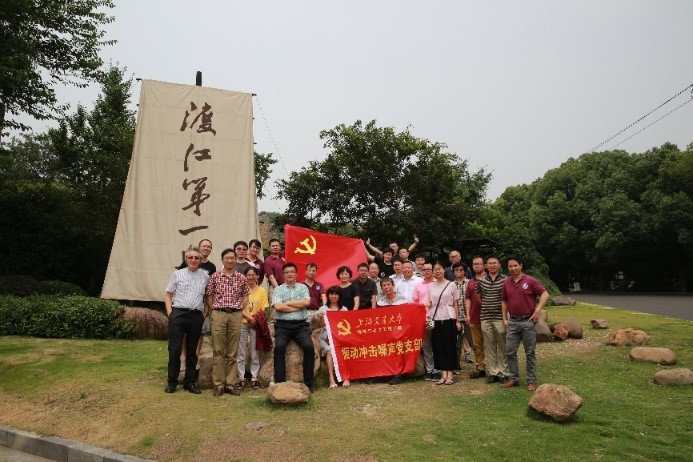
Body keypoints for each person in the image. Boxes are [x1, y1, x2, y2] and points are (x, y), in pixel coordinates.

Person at [164, 247, 209, 394]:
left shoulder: (205, 276)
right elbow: (168, 294)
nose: (193, 260)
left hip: (196, 316)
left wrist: (204, 313)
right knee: (175, 349)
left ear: (200, 260)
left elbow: (207, 297)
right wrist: (170, 314)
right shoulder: (177, 274)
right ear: (186, 259)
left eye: (196, 258)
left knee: (192, 351)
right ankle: (172, 381)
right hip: (178, 314)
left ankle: (189, 382)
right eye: (191, 257)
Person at [206, 248, 250, 397]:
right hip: (218, 314)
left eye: (232, 258)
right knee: (218, 350)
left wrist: (239, 308)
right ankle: (218, 384)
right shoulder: (215, 276)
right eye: (227, 258)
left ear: (235, 260)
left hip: (235, 315)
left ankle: (230, 384)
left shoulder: (241, 278)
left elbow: (246, 296)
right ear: (222, 260)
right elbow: (209, 295)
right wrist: (214, 310)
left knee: (232, 351)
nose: (230, 260)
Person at [501, 256, 549, 392]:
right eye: (510, 266)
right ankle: (514, 378)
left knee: (530, 352)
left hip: (527, 321)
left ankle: (531, 380)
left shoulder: (530, 281)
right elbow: (504, 300)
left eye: (515, 265)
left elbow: (545, 294)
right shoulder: (507, 282)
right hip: (512, 322)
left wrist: (538, 310)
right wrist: (504, 318)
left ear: (521, 265)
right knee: (510, 351)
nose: (513, 268)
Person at [272, 262, 315, 389]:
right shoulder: (278, 289)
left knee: (309, 347)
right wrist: (297, 306)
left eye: (292, 272)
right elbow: (278, 307)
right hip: (283, 326)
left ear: (296, 274)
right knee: (279, 347)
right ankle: (280, 383)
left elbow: (306, 303)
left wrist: (288, 303)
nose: (289, 274)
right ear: (283, 275)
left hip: (301, 326)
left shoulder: (303, 288)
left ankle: (308, 384)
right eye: (286, 272)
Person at [475, 255, 509, 384]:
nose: (492, 265)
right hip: (485, 317)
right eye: (490, 263)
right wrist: (487, 304)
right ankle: (493, 372)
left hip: (500, 317)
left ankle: (504, 373)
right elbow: (478, 296)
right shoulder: (481, 280)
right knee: (490, 346)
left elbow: (508, 298)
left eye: (495, 263)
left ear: (499, 265)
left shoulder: (506, 280)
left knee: (503, 346)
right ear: (486, 266)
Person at [428, 261, 460, 385]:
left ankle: (450, 374)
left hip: (449, 317)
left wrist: (457, 320)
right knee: (438, 346)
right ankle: (443, 374)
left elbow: (455, 303)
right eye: (435, 269)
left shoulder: (451, 285)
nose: (437, 271)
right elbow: (430, 304)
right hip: (435, 318)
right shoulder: (430, 286)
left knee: (449, 345)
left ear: (444, 269)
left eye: (439, 269)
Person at [237, 266, 268, 390]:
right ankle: (241, 378)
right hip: (243, 322)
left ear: (257, 276)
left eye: (253, 275)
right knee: (241, 352)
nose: (251, 277)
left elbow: (264, 306)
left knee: (255, 352)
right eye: (248, 275)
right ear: (245, 276)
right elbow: (239, 306)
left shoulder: (262, 290)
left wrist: (255, 318)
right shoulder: (241, 290)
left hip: (256, 324)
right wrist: (249, 317)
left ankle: (254, 378)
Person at [317, 286, 348, 388]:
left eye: (336, 294)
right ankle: (331, 379)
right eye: (331, 294)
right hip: (325, 339)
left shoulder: (344, 309)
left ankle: (345, 377)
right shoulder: (323, 309)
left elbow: (347, 326)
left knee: (344, 349)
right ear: (328, 296)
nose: (333, 296)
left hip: (340, 338)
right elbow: (320, 326)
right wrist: (321, 318)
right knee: (330, 350)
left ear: (339, 296)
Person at [412, 261, 438, 381]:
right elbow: (415, 302)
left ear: (433, 270)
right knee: (426, 345)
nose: (426, 271)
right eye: (424, 269)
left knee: (437, 344)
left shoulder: (437, 283)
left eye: (429, 269)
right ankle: (429, 369)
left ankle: (438, 369)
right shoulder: (418, 285)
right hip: (423, 319)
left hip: (436, 317)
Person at [466, 256, 487, 379]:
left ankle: (493, 367)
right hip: (474, 316)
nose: (477, 266)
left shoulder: (490, 279)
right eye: (474, 264)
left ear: (484, 265)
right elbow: (468, 298)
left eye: (479, 264)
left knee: (490, 344)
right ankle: (480, 367)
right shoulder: (471, 282)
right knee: (477, 345)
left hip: (489, 317)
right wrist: (468, 314)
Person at [452, 261, 473, 367]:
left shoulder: (470, 283)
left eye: (461, 270)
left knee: (474, 342)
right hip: (457, 318)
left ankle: (480, 365)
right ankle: (456, 365)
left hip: (470, 317)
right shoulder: (451, 285)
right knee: (457, 343)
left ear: (465, 271)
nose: (459, 272)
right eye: (456, 270)